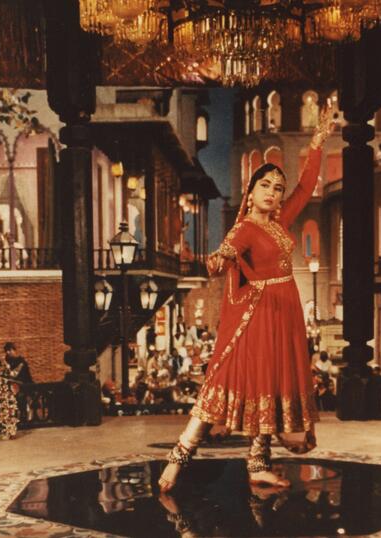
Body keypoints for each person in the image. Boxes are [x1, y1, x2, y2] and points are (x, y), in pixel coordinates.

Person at [158, 105, 335, 492]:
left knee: (266, 393)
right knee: (224, 385)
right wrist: (219, 258)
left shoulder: (279, 222)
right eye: (265, 186)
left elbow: (306, 187)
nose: (273, 193)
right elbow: (222, 256)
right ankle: (175, 463)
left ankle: (257, 465)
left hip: (283, 316)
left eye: (277, 188)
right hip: (256, 320)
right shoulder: (245, 230)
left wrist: (318, 141)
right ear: (250, 192)